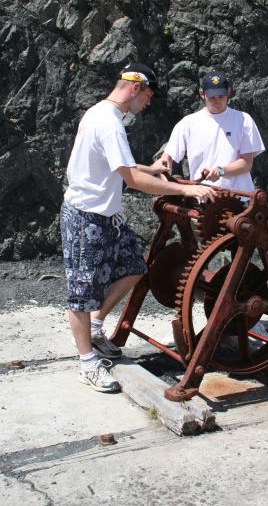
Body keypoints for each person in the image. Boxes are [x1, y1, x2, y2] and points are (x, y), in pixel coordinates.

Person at [60, 62, 215, 393]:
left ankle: (97, 327)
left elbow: (120, 166)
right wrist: (187, 190)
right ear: (136, 88)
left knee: (135, 267)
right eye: (148, 96)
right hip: (86, 216)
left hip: (107, 216)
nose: (147, 104)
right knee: (81, 294)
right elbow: (132, 180)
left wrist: (151, 167)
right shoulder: (109, 123)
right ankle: (87, 363)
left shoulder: (102, 114)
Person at [158, 71, 265, 190]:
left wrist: (221, 171)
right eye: (212, 97)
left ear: (229, 92)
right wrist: (166, 185)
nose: (217, 101)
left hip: (240, 197)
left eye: (221, 96)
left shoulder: (243, 119)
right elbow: (166, 158)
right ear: (202, 93)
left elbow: (246, 164)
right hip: (202, 197)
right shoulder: (187, 123)